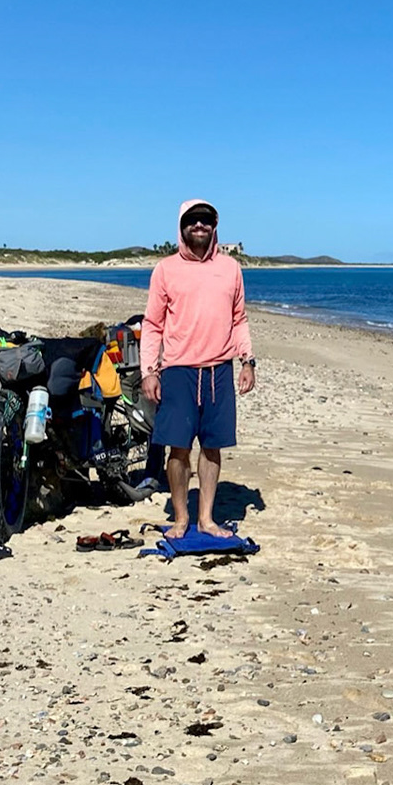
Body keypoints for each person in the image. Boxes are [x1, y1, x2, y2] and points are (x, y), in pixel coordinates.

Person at [140, 199, 257, 540]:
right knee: (177, 448)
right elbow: (152, 323)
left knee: (211, 447)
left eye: (206, 220)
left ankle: (206, 518)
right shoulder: (165, 269)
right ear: (182, 226)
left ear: (215, 226)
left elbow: (239, 319)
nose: (200, 225)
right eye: (193, 220)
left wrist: (247, 361)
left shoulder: (231, 268)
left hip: (219, 369)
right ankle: (180, 517)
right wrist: (150, 370)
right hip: (178, 370)